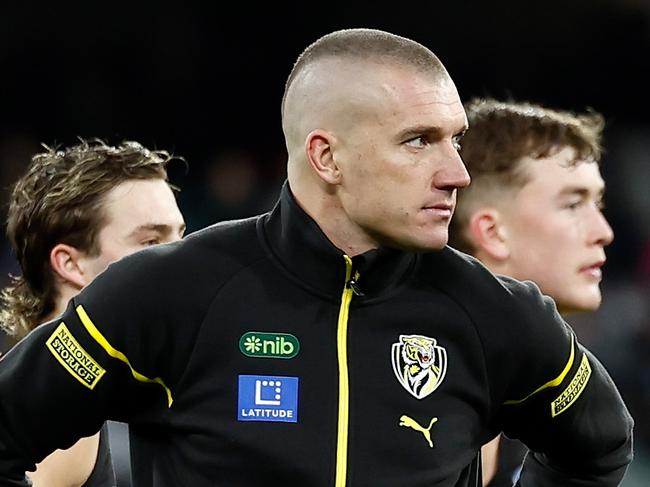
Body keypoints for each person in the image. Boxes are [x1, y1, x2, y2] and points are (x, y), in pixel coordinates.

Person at [0, 28, 633, 487]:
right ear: (326, 156)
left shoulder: (497, 314)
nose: (457, 173)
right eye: (419, 142)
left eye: (456, 142)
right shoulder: (170, 290)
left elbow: (601, 447)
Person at [448, 99, 616, 485]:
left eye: (598, 203)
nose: (603, 231)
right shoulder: (406, 384)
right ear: (492, 232)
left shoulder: (535, 391)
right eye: (573, 204)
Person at [0, 139, 186, 486]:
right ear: (70, 263)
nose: (180, 260)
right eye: (150, 242)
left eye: (181, 238)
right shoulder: (61, 402)